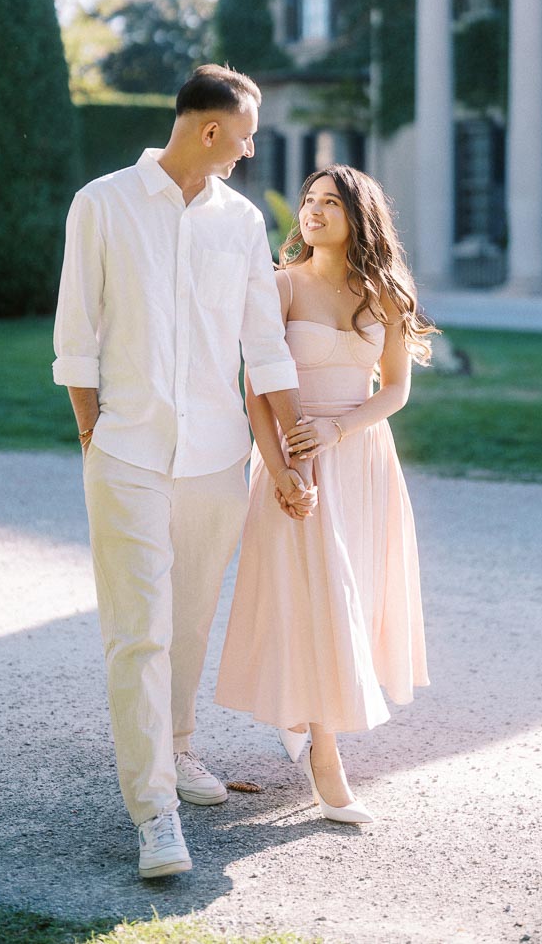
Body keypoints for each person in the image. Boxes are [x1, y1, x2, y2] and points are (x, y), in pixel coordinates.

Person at [52, 64, 315, 879]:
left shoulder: (239, 223)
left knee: (191, 621)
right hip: (127, 455)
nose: (249, 149)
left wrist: (289, 452)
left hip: (215, 460)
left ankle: (179, 747)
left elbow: (264, 344)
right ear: (210, 130)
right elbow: (76, 336)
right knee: (139, 635)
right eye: (244, 135)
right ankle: (154, 813)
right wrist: (95, 437)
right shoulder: (101, 204)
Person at [216, 164, 435, 822]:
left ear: (357, 217)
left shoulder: (386, 294)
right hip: (296, 462)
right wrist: (281, 469)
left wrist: (341, 426)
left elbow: (394, 389)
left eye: (329, 203)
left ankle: (306, 713)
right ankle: (325, 756)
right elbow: (254, 388)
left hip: (362, 458)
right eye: (308, 201)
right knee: (322, 599)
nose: (312, 211)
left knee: (351, 597)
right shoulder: (280, 287)